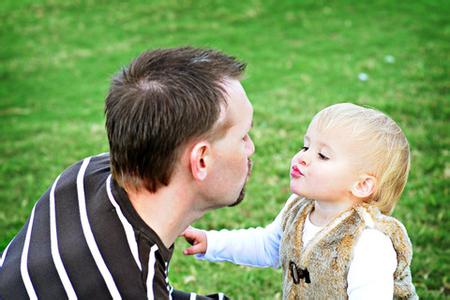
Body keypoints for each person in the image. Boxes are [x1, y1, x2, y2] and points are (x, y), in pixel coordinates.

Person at [0, 47, 255, 300]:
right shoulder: (128, 288)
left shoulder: (84, 176)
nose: (250, 148)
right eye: (243, 136)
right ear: (201, 160)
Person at [182, 103, 418, 299]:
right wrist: (211, 243)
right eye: (305, 146)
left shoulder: (369, 242)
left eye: (322, 155)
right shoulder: (299, 207)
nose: (302, 157)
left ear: (362, 185)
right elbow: (268, 246)